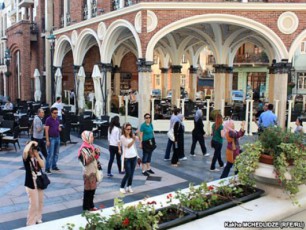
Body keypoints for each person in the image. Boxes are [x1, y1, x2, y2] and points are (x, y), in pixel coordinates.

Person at [23, 141, 45, 226]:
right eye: (32, 148)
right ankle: (30, 222)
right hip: (31, 183)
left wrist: (37, 155)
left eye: (34, 148)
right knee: (34, 204)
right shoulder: (26, 158)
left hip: (39, 182)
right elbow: (25, 152)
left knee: (40, 202)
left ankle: (38, 218)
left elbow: (42, 165)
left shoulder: (37, 155)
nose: (33, 150)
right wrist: (31, 142)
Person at [78, 131, 101, 211]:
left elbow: (95, 158)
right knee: (88, 190)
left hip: (93, 171)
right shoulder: (83, 149)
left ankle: (91, 205)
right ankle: (86, 207)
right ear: (86, 138)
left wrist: (97, 153)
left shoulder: (90, 146)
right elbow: (85, 162)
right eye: (91, 137)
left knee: (93, 190)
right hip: (87, 173)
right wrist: (94, 153)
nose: (93, 138)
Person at [120, 123, 140, 193]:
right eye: (128, 129)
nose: (129, 130)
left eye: (130, 129)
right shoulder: (122, 137)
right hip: (127, 158)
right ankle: (122, 187)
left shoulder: (132, 135)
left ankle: (129, 186)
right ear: (124, 129)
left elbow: (139, 139)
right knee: (128, 173)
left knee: (132, 173)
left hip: (134, 156)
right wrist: (134, 139)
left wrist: (137, 134)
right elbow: (127, 145)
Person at [45, 107, 61, 174]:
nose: (56, 114)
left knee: (56, 153)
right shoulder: (48, 120)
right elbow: (46, 130)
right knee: (50, 154)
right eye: (55, 113)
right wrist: (47, 140)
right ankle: (47, 168)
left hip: (57, 137)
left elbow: (58, 126)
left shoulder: (57, 119)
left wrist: (59, 128)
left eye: (57, 113)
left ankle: (54, 166)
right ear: (51, 113)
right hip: (51, 138)